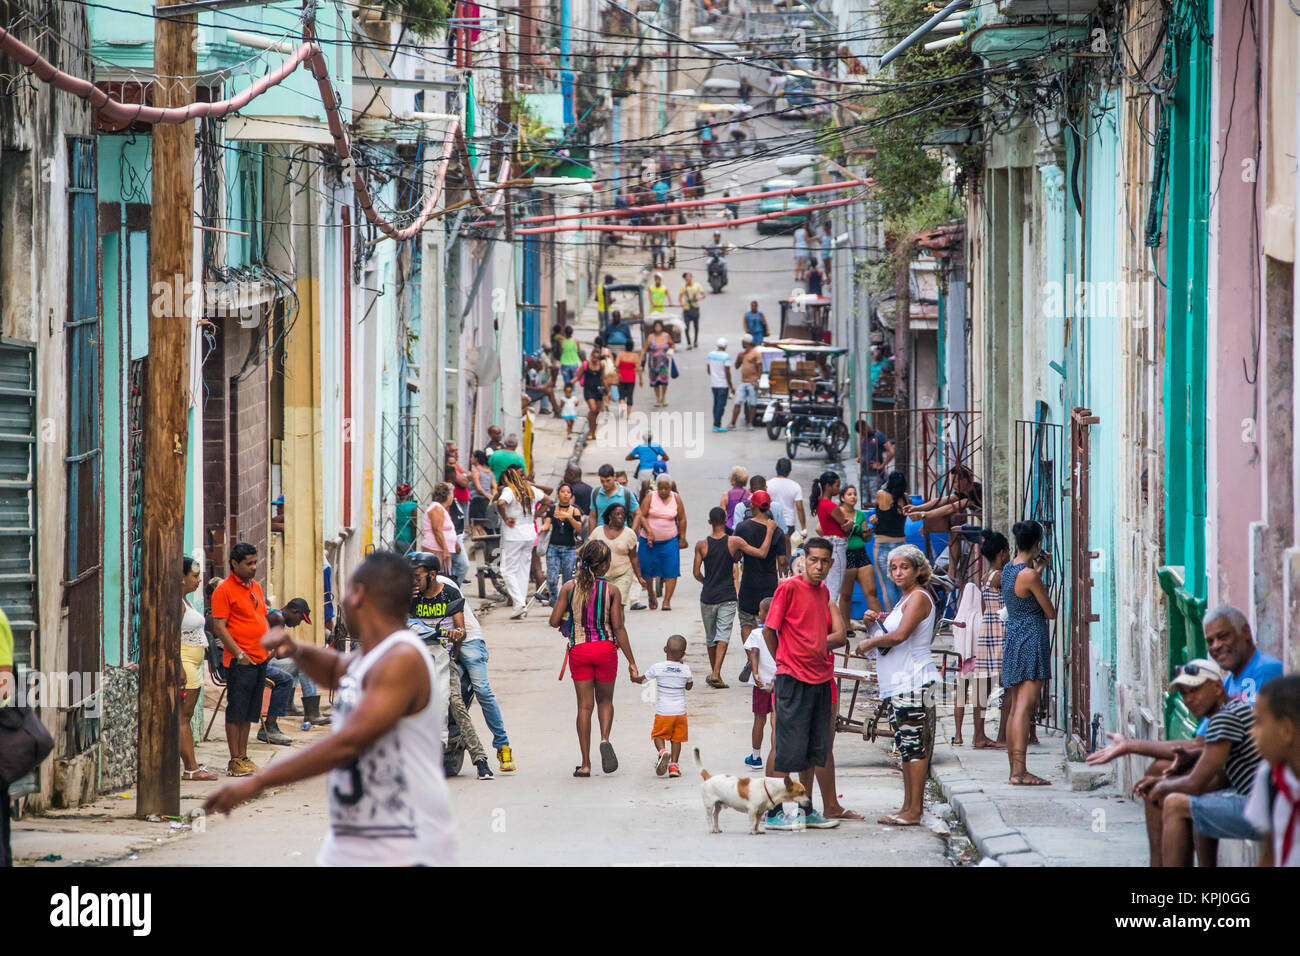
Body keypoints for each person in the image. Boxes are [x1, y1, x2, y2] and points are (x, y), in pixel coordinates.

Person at [204, 551, 458, 866]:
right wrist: (295, 650)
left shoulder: (402, 659)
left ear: (360, 595)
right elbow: (338, 668)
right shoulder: (375, 655)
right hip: (355, 839)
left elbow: (350, 741)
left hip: (405, 840)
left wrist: (259, 781)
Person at [761, 536, 845, 830]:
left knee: (813, 747)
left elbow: (838, 634)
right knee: (785, 748)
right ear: (804, 560)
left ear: (831, 563)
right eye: (813, 560)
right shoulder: (789, 587)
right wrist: (783, 661)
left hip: (820, 679)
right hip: (792, 678)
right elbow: (770, 630)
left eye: (824, 561)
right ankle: (771, 813)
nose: (818, 566)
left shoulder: (823, 593)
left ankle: (806, 809)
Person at [854, 544, 940, 826]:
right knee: (905, 745)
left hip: (913, 679)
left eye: (904, 567)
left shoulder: (918, 597)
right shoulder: (904, 599)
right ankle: (907, 807)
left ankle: (914, 811)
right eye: (894, 568)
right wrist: (874, 622)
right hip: (900, 682)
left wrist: (870, 641)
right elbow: (891, 633)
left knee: (914, 746)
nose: (898, 572)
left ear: (918, 570)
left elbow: (900, 635)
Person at [550, 539, 641, 776]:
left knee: (584, 707)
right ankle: (604, 739)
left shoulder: (569, 588)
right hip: (605, 650)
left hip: (579, 650)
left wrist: (568, 625)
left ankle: (586, 764)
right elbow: (619, 629)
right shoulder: (611, 591)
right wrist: (632, 662)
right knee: (605, 701)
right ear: (605, 565)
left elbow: (553, 620)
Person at [405, 552, 495, 781]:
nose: (414, 581)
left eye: (417, 577)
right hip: (415, 661)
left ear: (432, 575)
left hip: (443, 659)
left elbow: (461, 630)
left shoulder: (450, 594)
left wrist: (457, 634)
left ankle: (481, 759)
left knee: (455, 703)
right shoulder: (410, 597)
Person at [693, 505, 775, 690]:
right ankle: (715, 673)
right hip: (728, 596)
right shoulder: (734, 542)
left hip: (707, 596)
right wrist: (769, 531)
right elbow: (761, 553)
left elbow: (696, 572)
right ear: (725, 521)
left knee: (710, 636)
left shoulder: (701, 545)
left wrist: (707, 581)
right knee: (723, 634)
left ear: (709, 522)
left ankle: (715, 673)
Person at [1001, 520, 1057, 786]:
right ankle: (1019, 772)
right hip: (1031, 637)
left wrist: (1039, 569)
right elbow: (1050, 611)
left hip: (1014, 636)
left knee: (1015, 707)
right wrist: (1039, 574)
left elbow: (1022, 598)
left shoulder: (1008, 570)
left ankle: (1015, 769)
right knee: (1025, 707)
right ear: (1037, 544)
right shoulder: (1029, 575)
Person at [211, 542, 271, 777]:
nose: (254, 567)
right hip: (240, 661)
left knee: (249, 712)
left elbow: (261, 617)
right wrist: (239, 654)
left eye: (255, 562)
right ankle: (234, 758)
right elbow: (219, 626)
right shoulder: (223, 590)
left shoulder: (255, 586)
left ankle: (243, 756)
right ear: (235, 564)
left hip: (259, 658)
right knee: (236, 710)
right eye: (249, 564)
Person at [952, 531, 1010, 749]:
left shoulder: (986, 576)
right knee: (1008, 686)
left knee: (982, 687)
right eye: (1008, 551)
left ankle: (979, 735)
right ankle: (1002, 736)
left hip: (987, 632)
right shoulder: (1001, 576)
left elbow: (985, 608)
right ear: (1003, 553)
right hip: (1000, 633)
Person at [1245, 675, 1300, 867]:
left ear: (1286, 729)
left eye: (1258, 722)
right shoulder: (1269, 777)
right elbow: (1269, 854)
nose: (1252, 732)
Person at [631, 635, 693, 777]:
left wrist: (634, 677)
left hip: (664, 712)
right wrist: (682, 668)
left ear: (665, 649)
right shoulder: (686, 670)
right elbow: (689, 687)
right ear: (683, 654)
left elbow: (642, 680)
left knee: (658, 735)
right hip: (680, 712)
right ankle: (674, 767)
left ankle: (662, 751)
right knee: (676, 739)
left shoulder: (657, 667)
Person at [179, 558, 218, 781]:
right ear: (181, 577)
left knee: (186, 715)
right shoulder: (178, 602)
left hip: (192, 661)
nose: (198, 579)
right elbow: (172, 636)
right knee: (184, 716)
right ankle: (191, 768)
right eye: (194, 576)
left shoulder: (186, 601)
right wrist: (179, 668)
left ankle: (191, 765)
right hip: (185, 662)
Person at [735, 493, 789, 647]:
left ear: (752, 506)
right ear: (768, 507)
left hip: (748, 584)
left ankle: (751, 657)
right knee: (768, 625)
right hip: (769, 586)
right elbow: (782, 562)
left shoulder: (742, 528)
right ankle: (766, 656)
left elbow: (737, 555)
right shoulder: (777, 532)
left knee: (746, 623)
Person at [494, 465, 544, 615]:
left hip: (514, 534)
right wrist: (536, 515)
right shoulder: (530, 490)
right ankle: (520, 606)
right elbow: (548, 499)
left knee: (507, 570)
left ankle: (520, 603)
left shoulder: (510, 490)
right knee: (523, 569)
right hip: (529, 532)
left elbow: (500, 503)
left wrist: (506, 518)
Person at [633, 474, 687, 612]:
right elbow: (641, 515)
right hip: (648, 541)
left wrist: (682, 537)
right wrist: (649, 531)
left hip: (670, 540)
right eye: (661, 488)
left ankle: (667, 601)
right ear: (657, 487)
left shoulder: (676, 498)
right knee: (646, 569)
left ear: (670, 487)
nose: (663, 491)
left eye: (666, 488)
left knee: (671, 570)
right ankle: (651, 594)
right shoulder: (651, 496)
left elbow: (682, 519)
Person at [838, 485, 882, 628]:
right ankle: (845, 627)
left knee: (872, 591)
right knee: (846, 595)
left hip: (861, 554)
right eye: (849, 494)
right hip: (846, 555)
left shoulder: (861, 515)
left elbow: (865, 538)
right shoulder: (838, 513)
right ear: (842, 498)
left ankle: (881, 624)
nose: (853, 497)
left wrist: (869, 532)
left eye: (855, 494)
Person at [743, 596, 777, 770]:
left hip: (762, 683)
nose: (758, 613)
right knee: (775, 721)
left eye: (761, 610)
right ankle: (775, 754)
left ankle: (756, 757)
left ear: (766, 614)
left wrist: (755, 672)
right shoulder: (782, 632)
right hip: (780, 681)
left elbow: (754, 652)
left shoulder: (756, 633)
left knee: (759, 720)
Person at [597, 501, 650, 611]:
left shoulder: (629, 534)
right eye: (617, 514)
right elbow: (589, 553)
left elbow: (634, 557)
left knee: (618, 606)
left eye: (623, 514)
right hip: (602, 576)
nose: (621, 516)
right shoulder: (598, 532)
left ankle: (618, 627)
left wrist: (639, 577)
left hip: (623, 575)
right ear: (610, 516)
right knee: (604, 607)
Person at [869, 470, 910, 609]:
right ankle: (904, 616)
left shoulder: (882, 495)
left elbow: (879, 513)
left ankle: (893, 619)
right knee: (901, 586)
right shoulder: (906, 499)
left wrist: (874, 519)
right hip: (902, 545)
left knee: (887, 586)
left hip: (883, 545)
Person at [540, 482, 585, 605]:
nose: (565, 494)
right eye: (563, 491)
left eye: (568, 492)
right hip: (553, 548)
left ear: (571, 495)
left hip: (569, 549)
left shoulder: (575, 511)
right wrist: (543, 528)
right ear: (558, 494)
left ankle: (567, 604)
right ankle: (554, 603)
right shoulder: (552, 509)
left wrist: (569, 517)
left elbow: (579, 528)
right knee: (552, 578)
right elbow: (547, 523)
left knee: (567, 579)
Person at [809, 471, 848, 601]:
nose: (838, 489)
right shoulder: (831, 506)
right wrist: (853, 523)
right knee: (834, 585)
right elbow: (845, 525)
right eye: (836, 486)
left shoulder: (821, 504)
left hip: (828, 543)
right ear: (828, 486)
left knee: (827, 583)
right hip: (837, 545)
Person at [589, 463, 639, 536]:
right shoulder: (595, 492)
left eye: (608, 480)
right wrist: (591, 538)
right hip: (600, 538)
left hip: (621, 537)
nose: (605, 484)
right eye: (602, 481)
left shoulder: (626, 493)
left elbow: (638, 514)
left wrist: (631, 534)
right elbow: (592, 517)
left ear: (614, 476)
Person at [421, 482, 459, 573]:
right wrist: (445, 549)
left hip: (439, 548)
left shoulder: (440, 508)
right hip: (436, 549)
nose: (452, 498)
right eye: (452, 494)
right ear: (447, 496)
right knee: (437, 576)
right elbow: (437, 530)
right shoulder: (436, 509)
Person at [577, 337, 610, 439]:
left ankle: (593, 432)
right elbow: (577, 376)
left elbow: (604, 378)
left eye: (597, 357)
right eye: (594, 357)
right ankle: (591, 431)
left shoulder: (601, 365)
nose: (596, 359)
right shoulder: (585, 365)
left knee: (597, 412)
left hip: (598, 390)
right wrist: (569, 383)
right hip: (588, 390)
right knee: (593, 409)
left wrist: (608, 392)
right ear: (591, 356)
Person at [729, 334, 763, 429]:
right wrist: (739, 358)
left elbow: (760, 368)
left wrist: (758, 380)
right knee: (738, 402)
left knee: (752, 403)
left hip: (752, 382)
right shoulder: (743, 354)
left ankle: (750, 423)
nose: (741, 343)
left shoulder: (755, 353)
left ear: (746, 343)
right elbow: (737, 366)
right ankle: (732, 423)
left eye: (742, 342)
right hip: (743, 382)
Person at [766, 458, 806, 536]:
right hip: (788, 523)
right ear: (790, 470)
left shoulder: (767, 485)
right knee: (787, 547)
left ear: (776, 468)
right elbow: (799, 508)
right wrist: (803, 528)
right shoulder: (795, 486)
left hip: (771, 522)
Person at [640, 318, 674, 408]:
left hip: (664, 361)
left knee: (664, 380)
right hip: (653, 362)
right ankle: (658, 399)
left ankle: (663, 397)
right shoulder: (650, 337)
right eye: (656, 326)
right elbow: (644, 349)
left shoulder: (666, 336)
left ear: (662, 327)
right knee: (655, 381)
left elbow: (672, 344)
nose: (658, 328)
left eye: (659, 326)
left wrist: (670, 350)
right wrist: (640, 360)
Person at [857, 418, 893, 500]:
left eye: (862, 431)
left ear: (866, 426)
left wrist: (882, 465)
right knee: (864, 501)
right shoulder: (863, 438)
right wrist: (861, 459)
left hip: (874, 476)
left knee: (875, 500)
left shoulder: (878, 435)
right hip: (863, 475)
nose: (862, 434)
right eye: (860, 433)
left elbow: (891, 451)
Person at [706, 337, 734, 432]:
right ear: (725, 346)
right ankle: (716, 425)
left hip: (713, 384)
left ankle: (716, 424)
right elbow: (727, 372)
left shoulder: (710, 355)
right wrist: (731, 386)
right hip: (723, 384)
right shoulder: (726, 356)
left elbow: (709, 370)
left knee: (716, 404)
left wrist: (714, 376)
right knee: (721, 405)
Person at [468, 450, 495, 536]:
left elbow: (478, 488)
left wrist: (487, 495)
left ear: (476, 459)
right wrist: (492, 496)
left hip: (477, 501)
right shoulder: (489, 472)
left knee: (475, 527)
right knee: (481, 526)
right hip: (486, 502)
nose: (470, 459)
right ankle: (484, 545)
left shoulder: (476, 471)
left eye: (472, 457)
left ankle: (479, 545)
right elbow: (494, 486)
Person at [679, 272, 705, 349]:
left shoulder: (697, 286)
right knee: (686, 326)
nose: (687, 279)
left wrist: (698, 298)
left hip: (695, 308)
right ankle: (689, 343)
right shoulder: (684, 287)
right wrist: (681, 304)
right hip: (687, 309)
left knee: (696, 326)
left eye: (688, 277)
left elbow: (703, 295)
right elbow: (680, 297)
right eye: (686, 278)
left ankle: (695, 341)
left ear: (691, 277)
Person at [720, 465, 750, 531]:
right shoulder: (749, 495)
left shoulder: (726, 495)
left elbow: (721, 516)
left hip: (729, 527)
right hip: (745, 527)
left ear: (733, 479)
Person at [394, 482, 420, 555]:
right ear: (410, 494)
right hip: (409, 540)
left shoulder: (395, 507)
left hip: (397, 538)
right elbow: (414, 526)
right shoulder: (414, 506)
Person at [616, 340, 641, 411]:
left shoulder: (620, 354)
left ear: (625, 347)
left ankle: (622, 410)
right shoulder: (635, 356)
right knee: (630, 396)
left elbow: (616, 365)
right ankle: (627, 416)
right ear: (632, 347)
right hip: (631, 378)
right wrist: (641, 380)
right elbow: (638, 368)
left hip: (621, 378)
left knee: (622, 396)